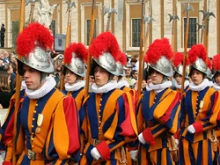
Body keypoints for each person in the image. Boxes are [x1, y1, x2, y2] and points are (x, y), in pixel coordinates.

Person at [2, 22, 80, 165]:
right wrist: (8, 161)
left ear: (43, 73)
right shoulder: (21, 99)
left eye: (31, 70)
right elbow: (13, 138)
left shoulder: (62, 102)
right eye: (24, 70)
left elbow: (67, 152)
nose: (26, 75)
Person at [80, 32, 137, 165]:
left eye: (102, 71)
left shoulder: (122, 97)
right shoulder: (89, 97)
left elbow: (126, 133)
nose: (97, 74)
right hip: (90, 153)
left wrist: (105, 148)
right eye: (96, 71)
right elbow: (83, 128)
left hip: (112, 155)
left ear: (111, 74)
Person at [136, 38, 181, 164]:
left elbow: (170, 124)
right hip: (143, 147)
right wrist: (135, 145)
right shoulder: (145, 95)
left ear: (165, 74)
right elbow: (139, 121)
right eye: (152, 72)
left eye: (158, 72)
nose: (154, 75)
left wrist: (147, 135)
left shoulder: (172, 95)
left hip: (163, 147)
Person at [179, 44, 220, 165]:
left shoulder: (213, 93)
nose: (195, 76)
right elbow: (181, 116)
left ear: (204, 75)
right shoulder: (186, 93)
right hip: (187, 138)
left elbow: (214, 117)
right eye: (193, 73)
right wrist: (179, 134)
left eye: (197, 73)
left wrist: (198, 127)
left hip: (204, 138)